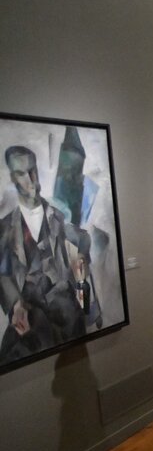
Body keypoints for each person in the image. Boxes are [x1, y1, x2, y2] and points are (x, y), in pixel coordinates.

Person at [0, 144, 96, 366]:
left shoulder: (60, 218)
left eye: (32, 170)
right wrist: (15, 305)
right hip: (30, 315)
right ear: (13, 178)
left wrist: (80, 264)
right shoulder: (4, 229)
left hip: (65, 311)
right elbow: (3, 274)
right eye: (21, 173)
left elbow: (82, 247)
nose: (30, 179)